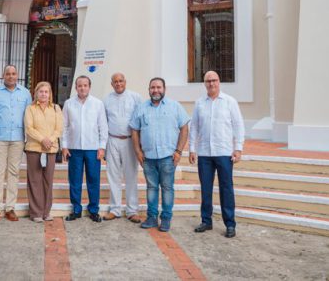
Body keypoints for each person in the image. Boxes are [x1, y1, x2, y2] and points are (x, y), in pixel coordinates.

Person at [189, 70, 245, 238]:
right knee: (205, 189)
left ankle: (230, 224)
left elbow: (238, 125)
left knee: (226, 188)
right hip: (205, 153)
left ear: (219, 82)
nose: (211, 83)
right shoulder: (200, 103)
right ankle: (206, 221)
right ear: (204, 84)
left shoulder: (229, 102)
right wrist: (192, 148)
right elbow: (194, 127)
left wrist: (238, 148)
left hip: (224, 152)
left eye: (214, 80)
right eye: (208, 81)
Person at [130, 77, 189, 232]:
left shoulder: (174, 106)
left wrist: (179, 151)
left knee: (168, 188)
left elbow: (184, 128)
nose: (155, 90)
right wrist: (137, 151)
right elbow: (134, 130)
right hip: (148, 158)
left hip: (168, 157)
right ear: (149, 89)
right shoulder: (141, 108)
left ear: (164, 89)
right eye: (152, 87)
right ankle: (151, 218)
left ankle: (166, 219)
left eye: (158, 87)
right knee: (151, 188)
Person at [61, 75, 108, 222]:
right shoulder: (69, 104)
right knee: (75, 180)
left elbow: (103, 127)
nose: (82, 88)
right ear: (76, 87)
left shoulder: (98, 104)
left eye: (85, 85)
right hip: (74, 148)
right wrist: (64, 146)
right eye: (80, 85)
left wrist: (102, 147)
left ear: (89, 87)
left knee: (93, 180)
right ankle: (76, 209)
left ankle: (93, 210)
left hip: (93, 148)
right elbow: (64, 127)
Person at [0, 65, 32, 222]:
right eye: (8, 74)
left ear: (17, 75)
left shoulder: (25, 93)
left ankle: (10, 208)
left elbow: (29, 116)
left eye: (14, 73)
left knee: (14, 172)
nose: (11, 76)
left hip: (18, 138)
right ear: (3, 75)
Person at [102, 72, 142, 223]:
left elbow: (140, 121)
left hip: (130, 141)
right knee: (113, 176)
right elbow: (103, 122)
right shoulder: (106, 100)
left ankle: (132, 210)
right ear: (112, 84)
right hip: (112, 140)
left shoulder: (136, 97)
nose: (118, 84)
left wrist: (140, 145)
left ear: (125, 82)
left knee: (131, 175)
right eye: (115, 82)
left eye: (121, 81)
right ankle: (114, 209)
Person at [23, 81, 63, 222]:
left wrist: (50, 140)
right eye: (41, 91)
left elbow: (59, 129)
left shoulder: (56, 109)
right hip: (34, 149)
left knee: (48, 181)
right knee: (34, 180)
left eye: (46, 92)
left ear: (50, 94)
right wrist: (42, 140)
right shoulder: (30, 108)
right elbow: (29, 128)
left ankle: (46, 212)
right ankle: (36, 213)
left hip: (50, 149)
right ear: (36, 93)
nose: (44, 94)